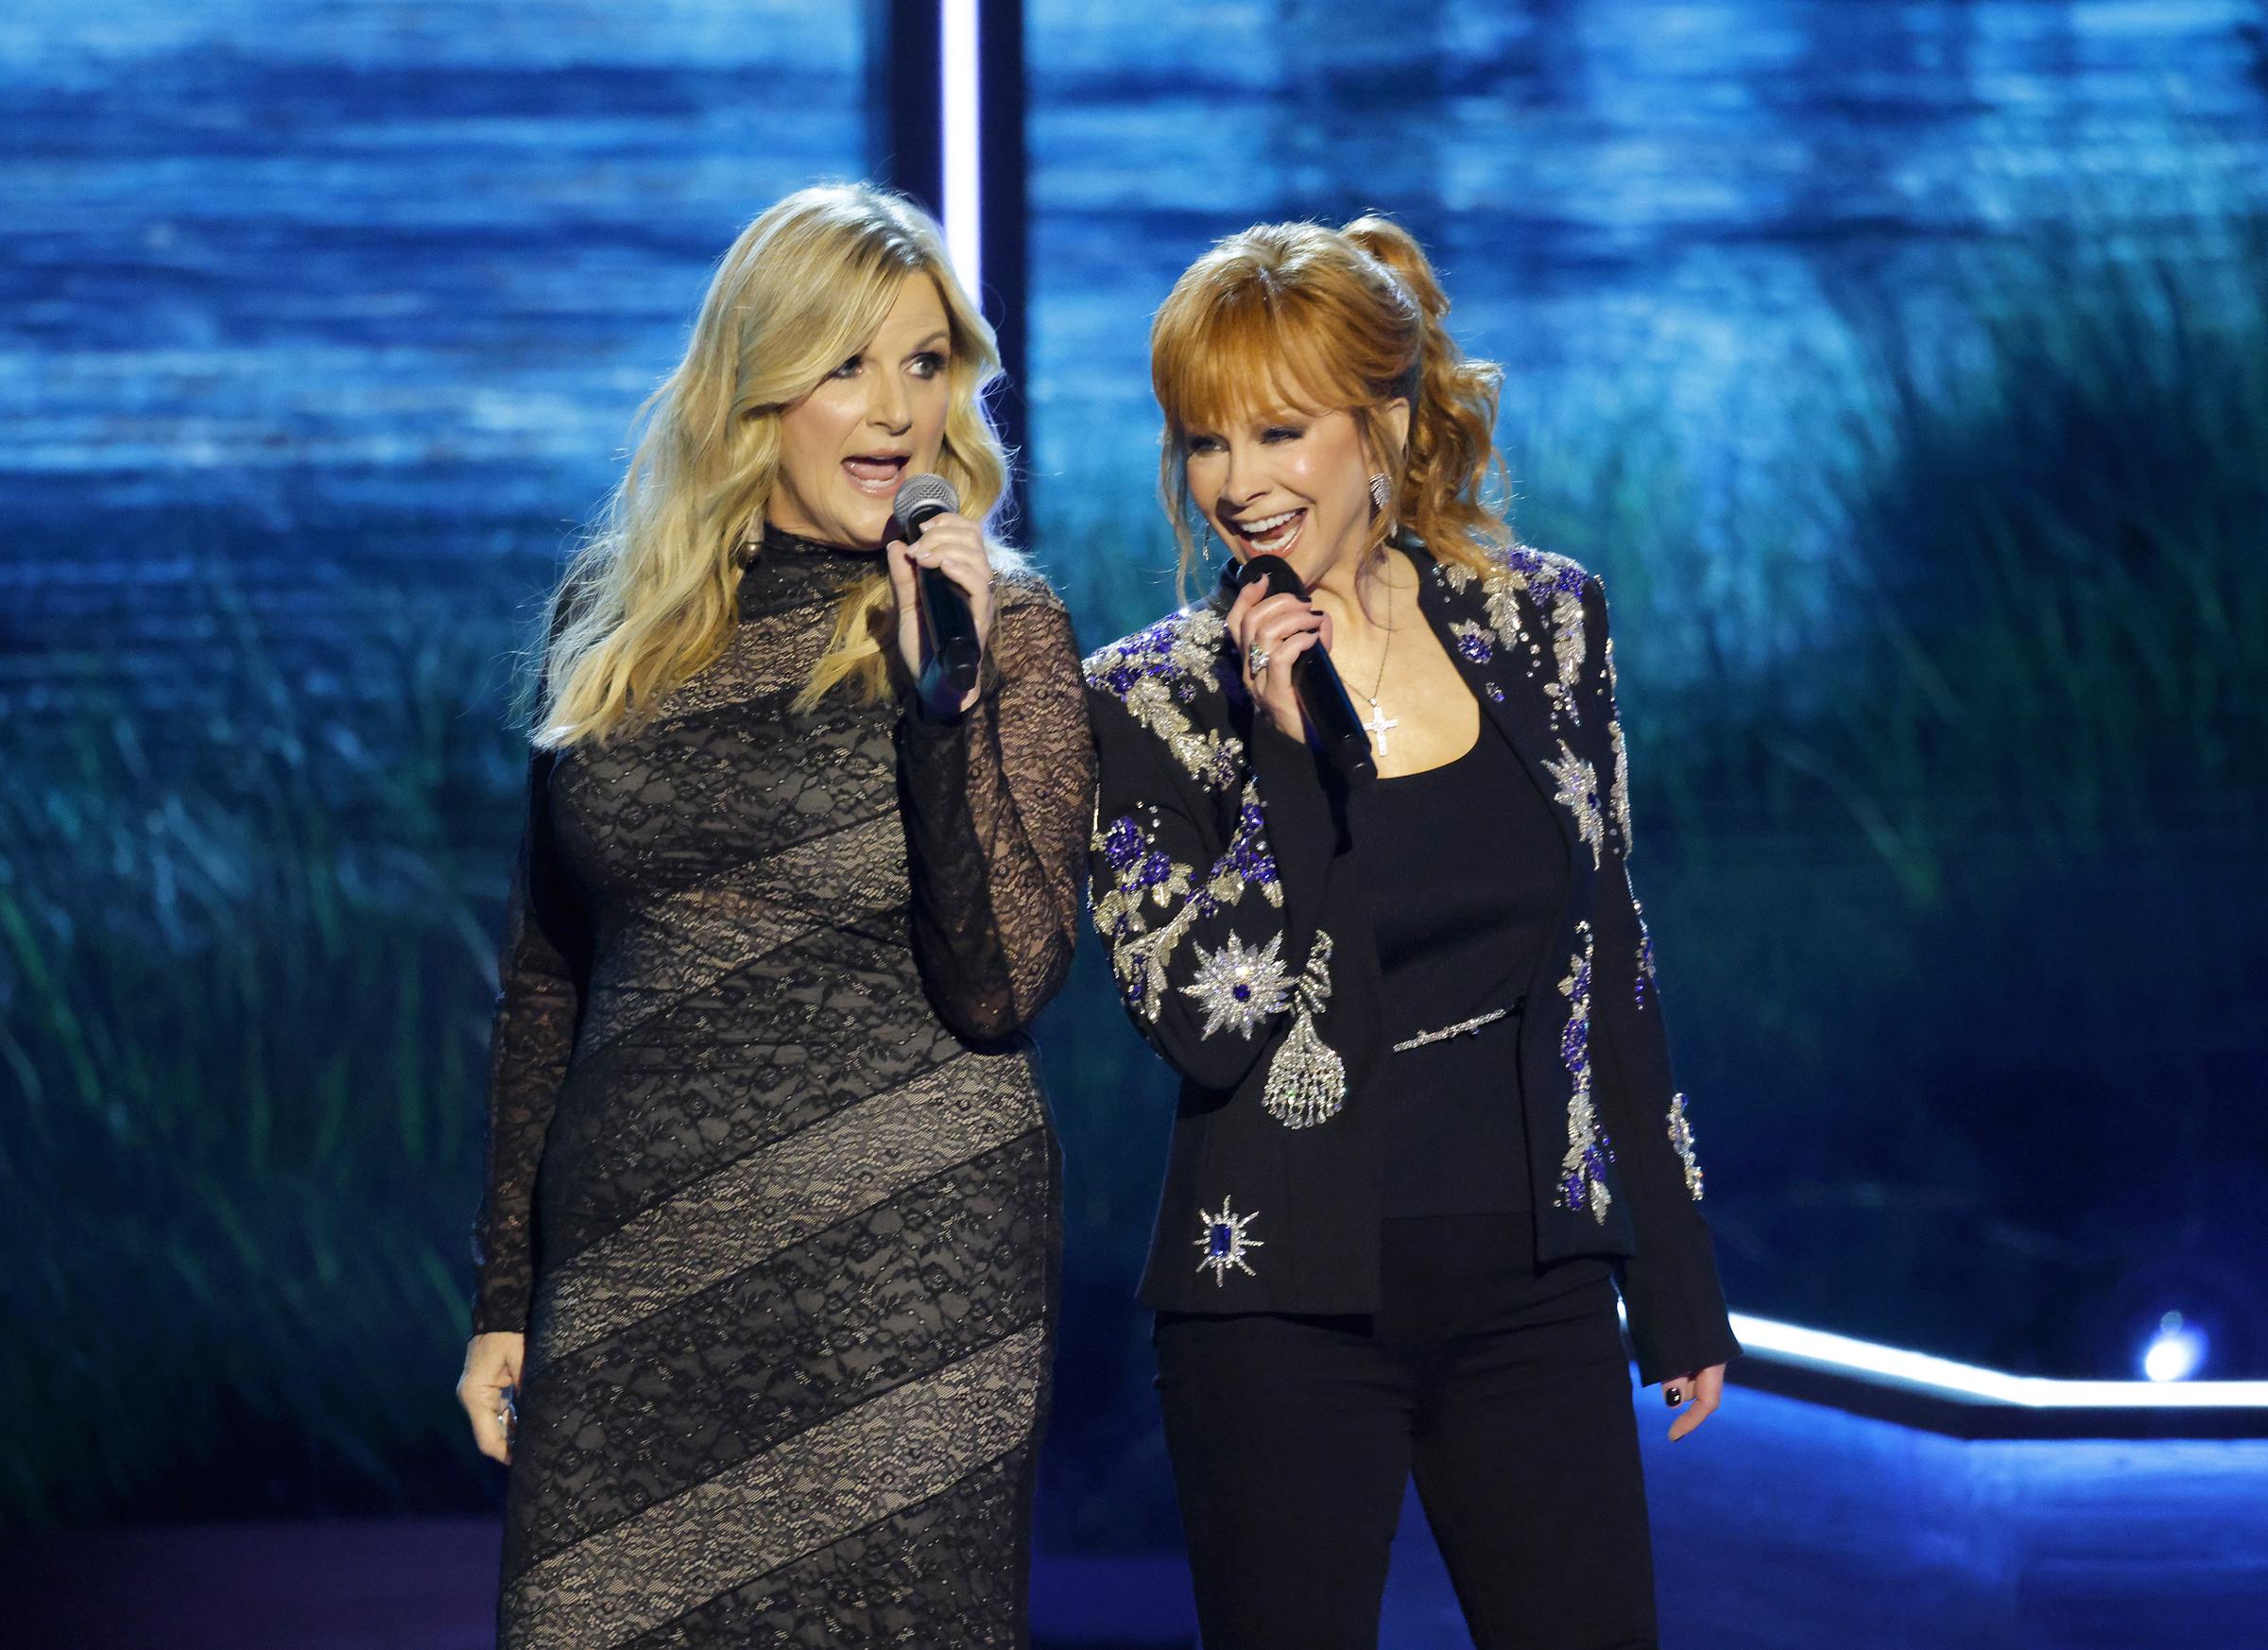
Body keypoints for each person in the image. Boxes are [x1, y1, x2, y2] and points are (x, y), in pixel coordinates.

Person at [1081, 216, 1739, 1649]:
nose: (1238, 484)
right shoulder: (1145, 698)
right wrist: (1280, 760)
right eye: (1204, 442)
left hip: (1535, 1289)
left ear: (1380, 425)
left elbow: (1608, 956)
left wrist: (1676, 1278)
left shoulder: (1549, 622)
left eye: (1277, 431)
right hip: (1282, 1311)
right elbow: (1204, 1017)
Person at [454, 182, 1092, 1649]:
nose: (895, 410)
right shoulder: (614, 626)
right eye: (844, 364)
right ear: (755, 391)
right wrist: (508, 1289)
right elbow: (548, 975)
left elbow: (1001, 983)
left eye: (926, 362)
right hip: (632, 1276)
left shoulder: (1015, 629)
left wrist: (947, 703)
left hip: (906, 1278)